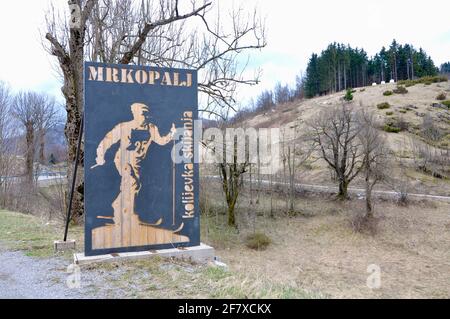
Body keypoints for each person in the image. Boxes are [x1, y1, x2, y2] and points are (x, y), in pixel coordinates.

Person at [90, 102, 188, 249]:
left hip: (137, 164)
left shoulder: (151, 128)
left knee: (135, 187)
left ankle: (117, 205)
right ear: (135, 113)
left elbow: (161, 141)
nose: (146, 116)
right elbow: (107, 140)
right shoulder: (124, 127)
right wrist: (100, 155)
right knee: (131, 183)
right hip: (123, 160)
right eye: (143, 112)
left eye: (147, 113)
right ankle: (123, 217)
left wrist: (171, 135)